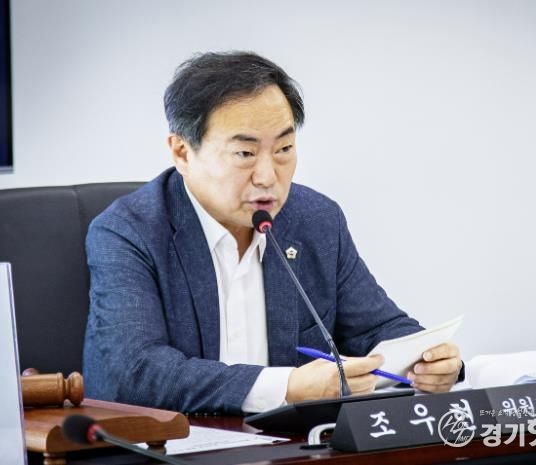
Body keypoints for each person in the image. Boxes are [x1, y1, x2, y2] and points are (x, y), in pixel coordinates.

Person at [83, 51, 463, 415]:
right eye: (245, 154)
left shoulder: (316, 221)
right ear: (182, 152)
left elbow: (378, 329)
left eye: (283, 148)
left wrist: (429, 361)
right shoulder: (129, 232)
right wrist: (287, 387)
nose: (267, 177)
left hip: (291, 446)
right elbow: (135, 372)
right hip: (170, 446)